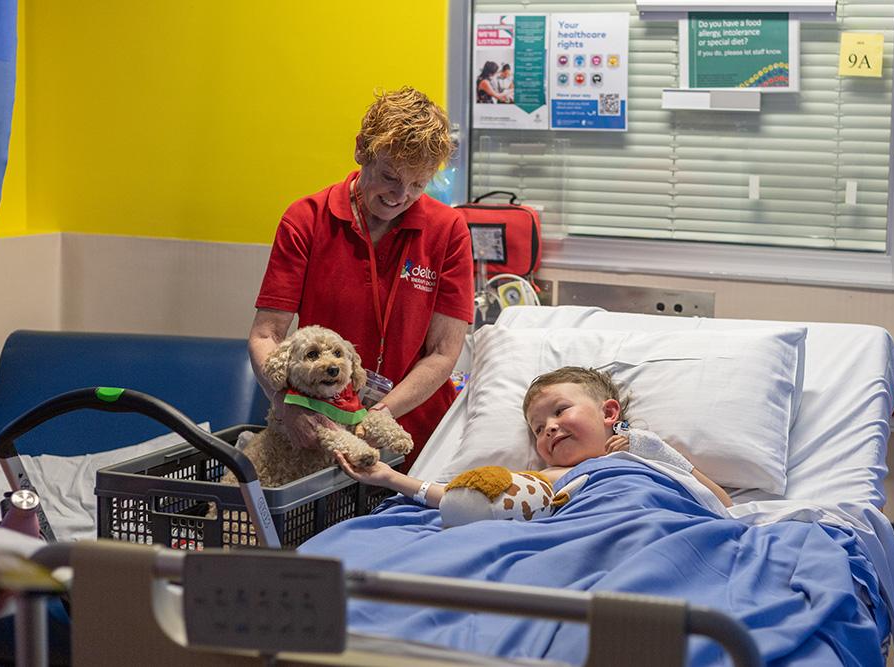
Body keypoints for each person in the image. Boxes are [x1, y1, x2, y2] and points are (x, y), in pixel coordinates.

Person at [250, 87, 474, 470]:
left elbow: (443, 352)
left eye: (418, 184)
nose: (400, 196)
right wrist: (285, 404)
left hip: (414, 434)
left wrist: (381, 412)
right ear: (361, 150)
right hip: (322, 428)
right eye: (389, 176)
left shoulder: (448, 230)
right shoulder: (307, 219)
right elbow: (266, 334)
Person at [337, 366, 733, 508]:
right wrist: (390, 480)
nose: (550, 428)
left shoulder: (649, 458)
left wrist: (653, 448)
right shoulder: (553, 477)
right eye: (538, 428)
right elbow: (468, 497)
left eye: (560, 411)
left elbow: (722, 503)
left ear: (610, 413)